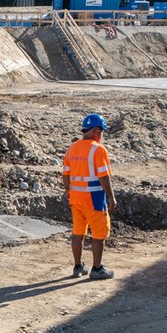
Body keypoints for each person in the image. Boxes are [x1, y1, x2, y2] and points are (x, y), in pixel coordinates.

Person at [61, 113, 117, 280]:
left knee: (78, 232)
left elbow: (66, 174)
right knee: (99, 234)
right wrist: (111, 196)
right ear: (96, 130)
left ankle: (78, 267)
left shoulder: (72, 148)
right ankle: (97, 268)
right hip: (94, 198)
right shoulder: (98, 150)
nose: (102, 135)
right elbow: (103, 176)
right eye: (102, 131)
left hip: (76, 198)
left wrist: (68, 192)